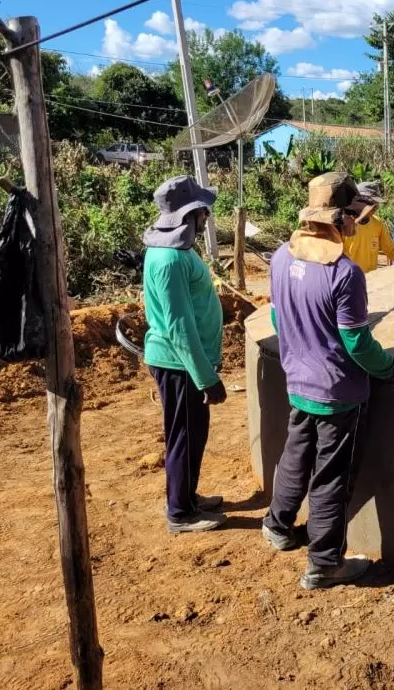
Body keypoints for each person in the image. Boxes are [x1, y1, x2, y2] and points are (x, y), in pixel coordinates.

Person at [262, 171, 394, 590]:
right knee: (331, 478)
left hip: (297, 381)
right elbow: (357, 344)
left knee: (295, 455)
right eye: (355, 216)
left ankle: (277, 526)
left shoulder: (281, 257)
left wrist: (303, 347)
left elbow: (278, 318)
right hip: (337, 395)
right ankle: (325, 564)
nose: (358, 223)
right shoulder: (343, 273)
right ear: (342, 218)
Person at [142, 176, 227, 534]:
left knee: (194, 433)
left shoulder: (175, 252)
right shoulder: (171, 261)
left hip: (185, 362)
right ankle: (180, 512)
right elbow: (179, 325)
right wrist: (206, 377)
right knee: (184, 436)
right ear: (190, 215)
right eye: (203, 211)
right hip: (179, 364)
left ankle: (188, 496)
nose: (207, 216)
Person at [343, 180, 394, 274]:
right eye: (372, 202)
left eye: (377, 203)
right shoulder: (344, 225)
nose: (375, 206)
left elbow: (391, 250)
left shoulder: (377, 223)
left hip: (371, 281)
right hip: (349, 281)